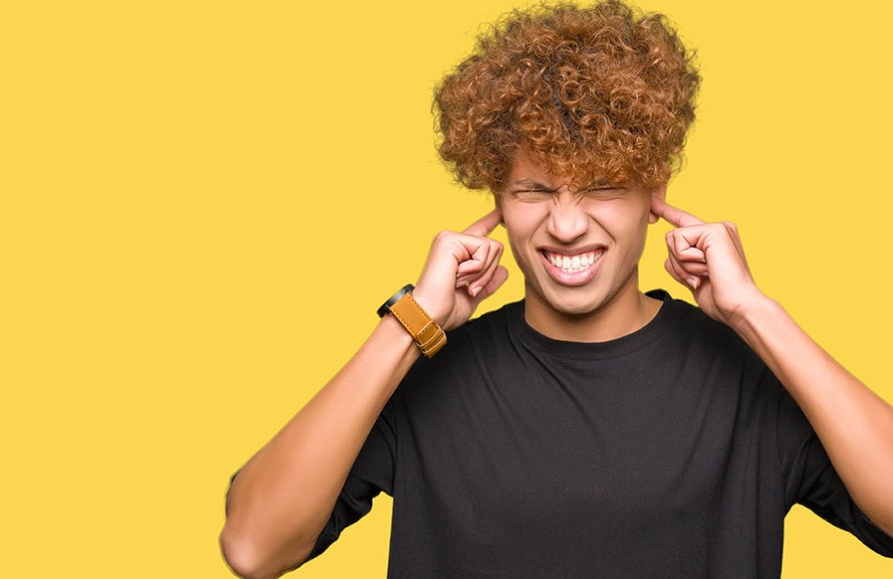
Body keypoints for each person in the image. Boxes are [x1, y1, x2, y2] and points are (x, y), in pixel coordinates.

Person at [219, 0, 893, 576]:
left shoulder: (749, 378)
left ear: (655, 191)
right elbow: (252, 547)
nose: (566, 224)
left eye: (602, 186)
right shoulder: (425, 371)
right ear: (497, 196)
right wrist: (409, 323)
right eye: (535, 189)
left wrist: (755, 312)